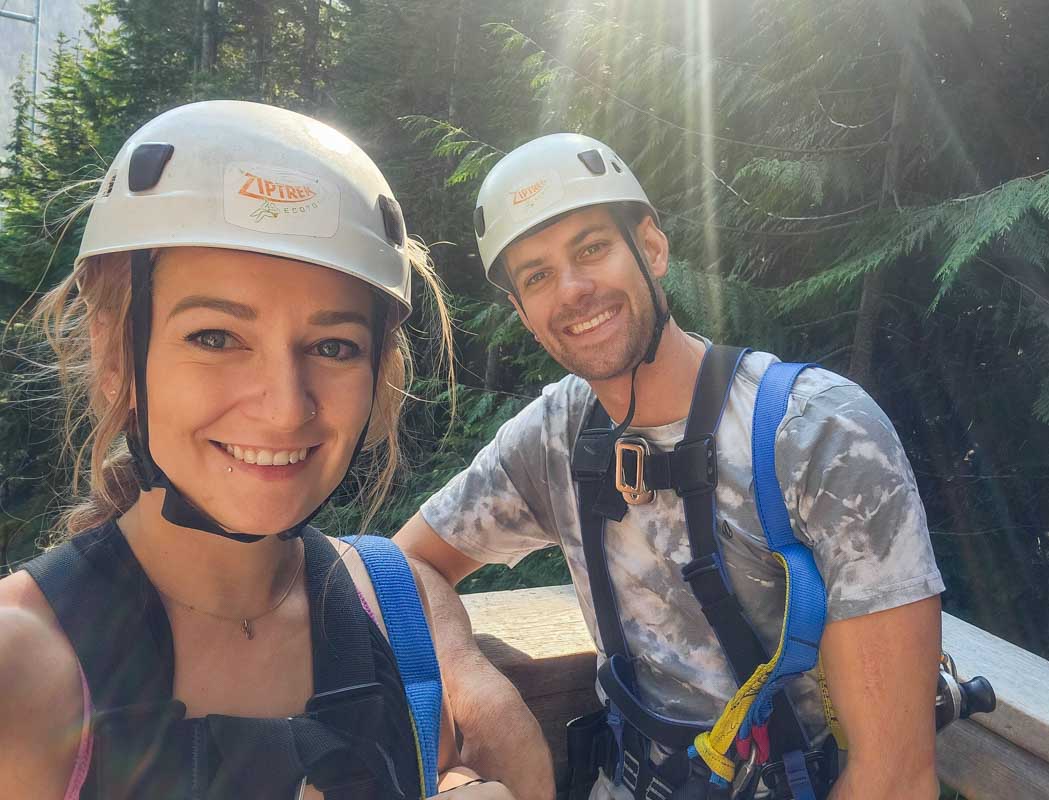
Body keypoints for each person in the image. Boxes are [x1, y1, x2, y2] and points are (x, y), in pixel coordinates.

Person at [395, 133, 945, 800]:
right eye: (537, 276)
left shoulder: (817, 433)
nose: (572, 290)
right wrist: (480, 691)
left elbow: (894, 777)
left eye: (591, 248)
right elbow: (404, 569)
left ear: (651, 248)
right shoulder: (555, 436)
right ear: (524, 313)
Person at [0, 100, 516, 800]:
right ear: (115, 349)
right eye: (215, 337)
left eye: (333, 347)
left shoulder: (397, 613)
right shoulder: (18, 668)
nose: (284, 406)